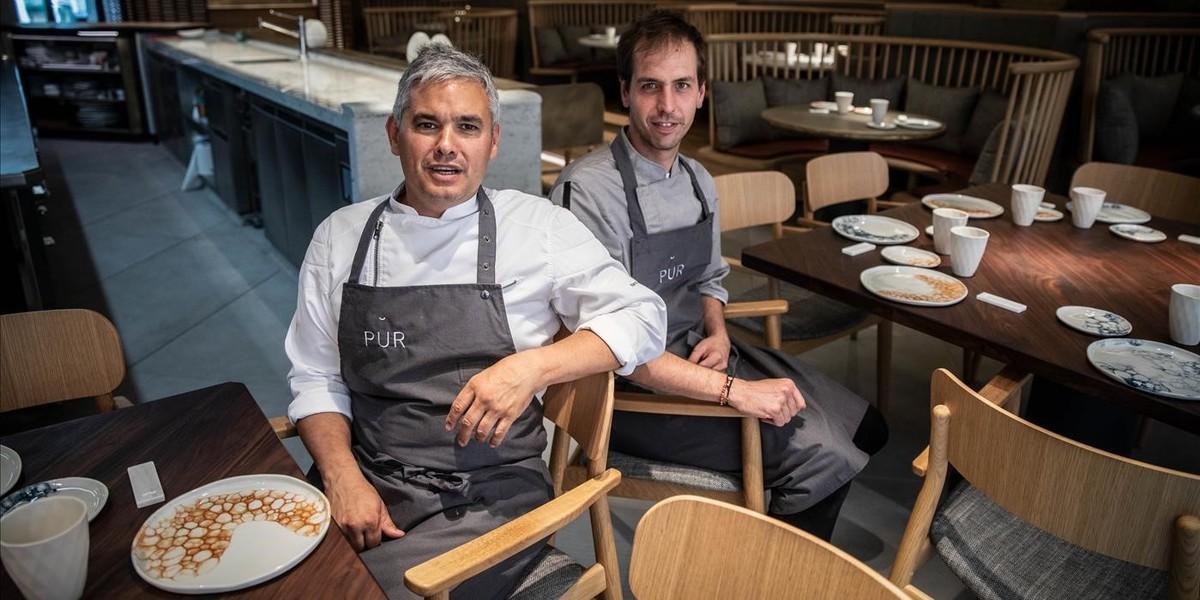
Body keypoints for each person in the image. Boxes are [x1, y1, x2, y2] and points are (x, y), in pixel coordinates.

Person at [284, 44, 667, 600]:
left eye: (467, 126)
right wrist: (342, 476)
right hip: (366, 475)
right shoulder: (340, 237)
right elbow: (315, 376)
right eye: (426, 124)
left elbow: (643, 315)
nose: (446, 146)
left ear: (493, 141)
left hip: (489, 496)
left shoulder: (536, 228)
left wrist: (533, 368)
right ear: (394, 136)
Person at [550, 10, 887, 540]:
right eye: (650, 87)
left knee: (871, 427)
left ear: (702, 92)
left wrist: (719, 329)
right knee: (823, 457)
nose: (667, 107)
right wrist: (732, 391)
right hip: (629, 393)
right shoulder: (587, 193)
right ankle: (759, 576)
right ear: (624, 92)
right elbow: (611, 347)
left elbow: (709, 277)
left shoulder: (698, 179)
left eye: (682, 86)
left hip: (698, 353)